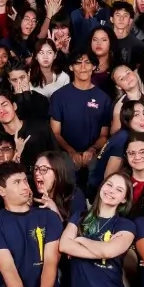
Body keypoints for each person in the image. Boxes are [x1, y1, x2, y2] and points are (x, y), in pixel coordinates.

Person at [50, 50, 112, 187]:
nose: (83, 67)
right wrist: (71, 151)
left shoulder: (104, 98)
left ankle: (92, 203)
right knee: (65, 171)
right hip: (66, 152)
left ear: (94, 67)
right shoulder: (59, 96)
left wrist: (92, 150)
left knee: (97, 168)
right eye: (78, 63)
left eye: (87, 63)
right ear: (71, 67)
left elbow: (104, 135)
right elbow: (55, 133)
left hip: (93, 153)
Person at [89, 99, 144, 198]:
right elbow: (109, 176)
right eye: (136, 115)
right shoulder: (123, 139)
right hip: (98, 193)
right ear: (127, 119)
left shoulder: (125, 134)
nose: (143, 119)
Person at [0, 89, 57, 169]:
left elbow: (57, 156)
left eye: (4, 105)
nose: (1, 110)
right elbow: (3, 174)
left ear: (14, 106)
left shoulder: (40, 127)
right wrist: (16, 151)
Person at [111, 2, 144, 67]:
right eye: (118, 15)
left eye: (125, 15)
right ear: (111, 19)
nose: (121, 19)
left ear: (130, 21)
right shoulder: (103, 40)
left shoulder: (138, 45)